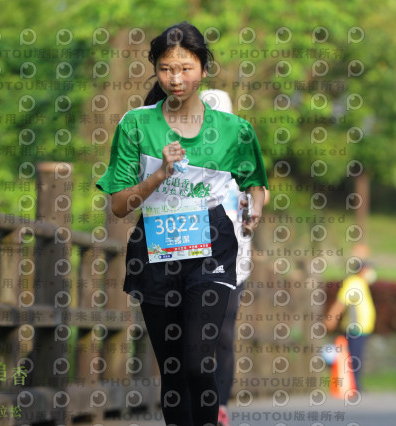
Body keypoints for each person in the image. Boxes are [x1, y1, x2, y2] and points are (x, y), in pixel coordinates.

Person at [95, 22, 268, 426]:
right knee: (172, 372)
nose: (176, 78)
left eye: (186, 68)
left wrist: (255, 205)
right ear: (155, 69)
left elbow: (256, 183)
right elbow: (120, 205)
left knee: (197, 363)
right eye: (167, 69)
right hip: (156, 249)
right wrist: (159, 175)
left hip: (212, 250)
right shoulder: (135, 125)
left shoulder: (235, 130)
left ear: (204, 68)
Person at [199, 89, 269, 426]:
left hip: (232, 262)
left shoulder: (242, 158)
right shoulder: (186, 160)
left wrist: (254, 207)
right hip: (188, 259)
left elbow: (260, 189)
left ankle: (218, 406)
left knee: (222, 334)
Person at [324, 245, 377, 391]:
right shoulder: (353, 283)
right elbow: (341, 303)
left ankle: (355, 385)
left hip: (362, 328)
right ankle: (354, 386)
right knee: (354, 358)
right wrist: (331, 319)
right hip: (355, 328)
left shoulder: (361, 284)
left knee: (357, 356)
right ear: (362, 270)